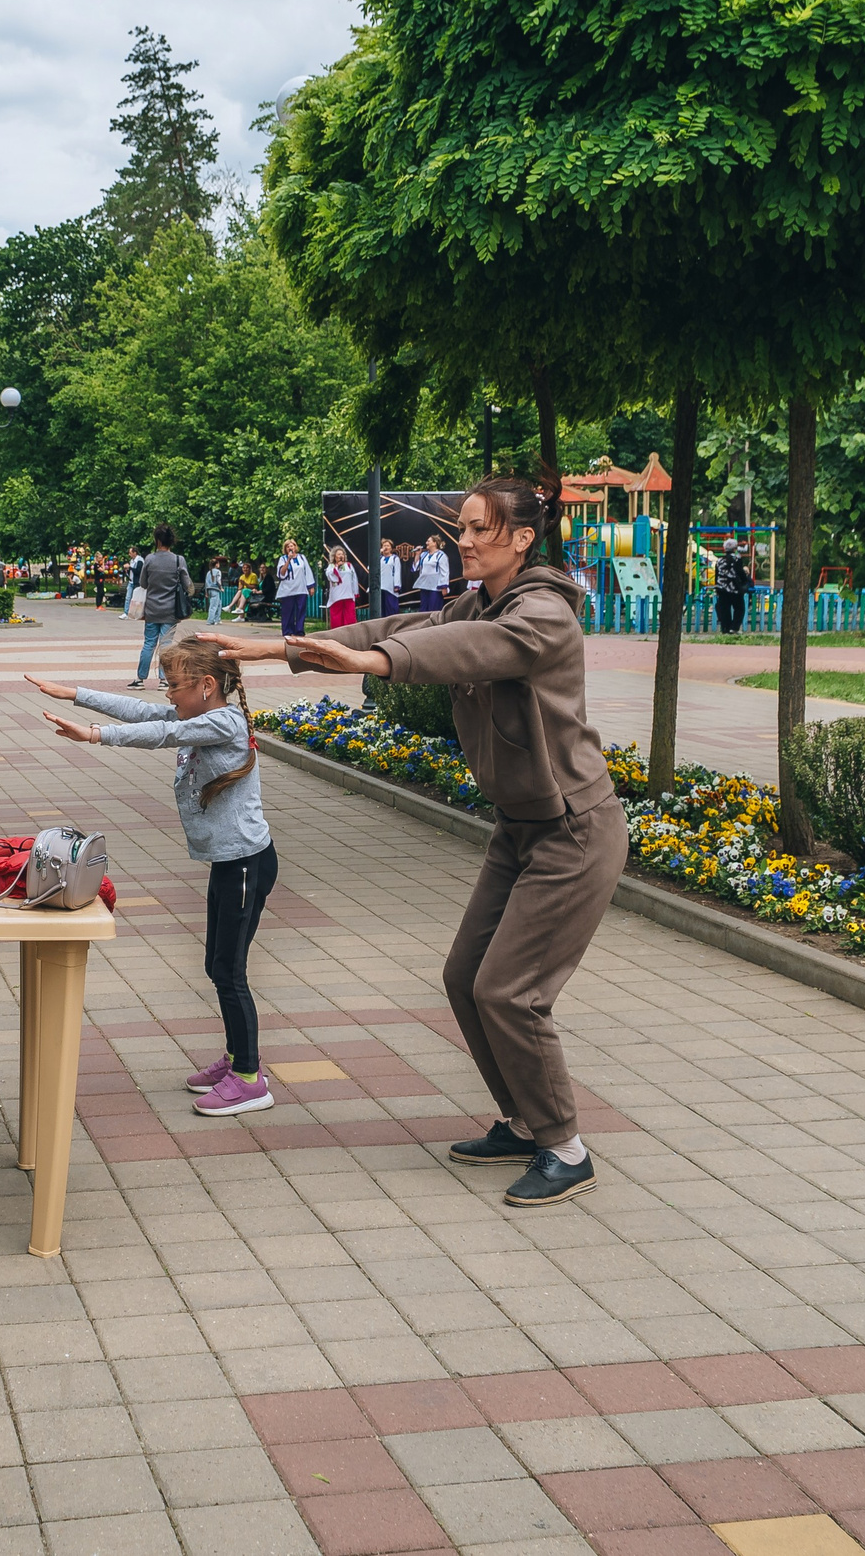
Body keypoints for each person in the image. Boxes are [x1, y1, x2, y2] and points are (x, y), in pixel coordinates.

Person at [200, 474, 623, 1209]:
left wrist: (379, 664)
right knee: (466, 978)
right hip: (518, 827)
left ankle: (565, 1146)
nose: (462, 539)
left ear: (522, 539)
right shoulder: (479, 600)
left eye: (477, 529)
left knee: (509, 991)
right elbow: (397, 631)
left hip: (575, 831)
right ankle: (525, 1122)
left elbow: (467, 649)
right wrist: (271, 650)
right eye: (460, 527)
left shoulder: (545, 613)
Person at [26, 639, 277, 1117]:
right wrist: (73, 692)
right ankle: (236, 1058)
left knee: (228, 970)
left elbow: (158, 733)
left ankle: (249, 1077)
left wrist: (96, 736)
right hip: (230, 863)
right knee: (217, 965)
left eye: (175, 686)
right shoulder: (199, 716)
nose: (168, 696)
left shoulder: (224, 722)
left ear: (207, 686)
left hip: (246, 862)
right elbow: (142, 711)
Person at [132, 523, 192, 688]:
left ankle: (139, 679)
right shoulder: (178, 560)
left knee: (149, 643)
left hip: (151, 610)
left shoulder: (149, 559)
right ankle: (164, 680)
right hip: (171, 611)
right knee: (166, 644)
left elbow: (143, 583)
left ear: (157, 540)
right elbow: (188, 585)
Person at [275, 537, 314, 638]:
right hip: (288, 589)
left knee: (301, 610)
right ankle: (288, 630)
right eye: (288, 546)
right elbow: (281, 574)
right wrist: (288, 559)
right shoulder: (282, 559)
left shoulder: (302, 557)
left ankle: (299, 630)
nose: (290, 547)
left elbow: (307, 571)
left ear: (295, 547)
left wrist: (310, 586)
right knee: (288, 611)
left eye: (291, 545)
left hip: (301, 588)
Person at [713, 538, 752, 634]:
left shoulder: (719, 560)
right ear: (735, 548)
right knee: (739, 608)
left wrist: (717, 586)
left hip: (722, 588)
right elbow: (739, 572)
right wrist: (745, 581)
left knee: (724, 609)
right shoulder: (737, 558)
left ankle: (725, 628)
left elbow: (717, 574)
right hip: (734, 588)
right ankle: (734, 628)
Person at [326, 546, 360, 628]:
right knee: (337, 618)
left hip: (348, 595)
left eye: (342, 554)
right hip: (336, 597)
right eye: (338, 554)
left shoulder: (349, 565)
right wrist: (337, 567)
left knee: (350, 617)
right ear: (334, 556)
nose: (341, 556)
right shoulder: (331, 567)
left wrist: (355, 592)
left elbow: (354, 579)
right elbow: (330, 576)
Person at [415, 536, 452, 611]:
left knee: (434, 607)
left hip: (435, 587)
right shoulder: (424, 555)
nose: (426, 543)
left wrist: (444, 587)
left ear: (435, 543)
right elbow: (416, 567)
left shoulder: (441, 555)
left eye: (428, 541)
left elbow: (445, 572)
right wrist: (417, 554)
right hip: (424, 585)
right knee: (423, 607)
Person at [380, 538, 404, 617]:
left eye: (388, 545)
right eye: (384, 546)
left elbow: (397, 572)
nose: (386, 547)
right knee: (382, 608)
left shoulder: (394, 558)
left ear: (391, 548)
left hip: (390, 587)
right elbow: (371, 568)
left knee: (391, 607)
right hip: (381, 587)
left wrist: (397, 585)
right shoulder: (380, 558)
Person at [205, 554, 227, 625]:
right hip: (215, 589)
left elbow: (206, 583)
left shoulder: (209, 572)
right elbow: (218, 580)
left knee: (218, 604)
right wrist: (221, 588)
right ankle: (210, 620)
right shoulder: (218, 572)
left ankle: (217, 619)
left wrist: (206, 592)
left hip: (209, 590)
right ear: (216, 564)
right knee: (213, 605)